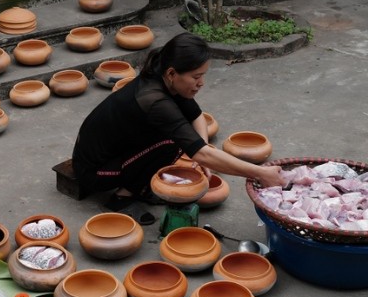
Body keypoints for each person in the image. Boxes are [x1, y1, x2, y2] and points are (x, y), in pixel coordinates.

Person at [71, 32, 286, 224]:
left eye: (203, 75)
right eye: (196, 76)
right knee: (172, 141)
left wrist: (201, 151)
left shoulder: (164, 74)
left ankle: (140, 185)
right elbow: (200, 152)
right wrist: (259, 173)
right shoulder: (155, 100)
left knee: (183, 139)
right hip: (94, 170)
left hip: (119, 150)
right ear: (173, 73)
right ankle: (122, 197)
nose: (201, 82)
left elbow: (197, 117)